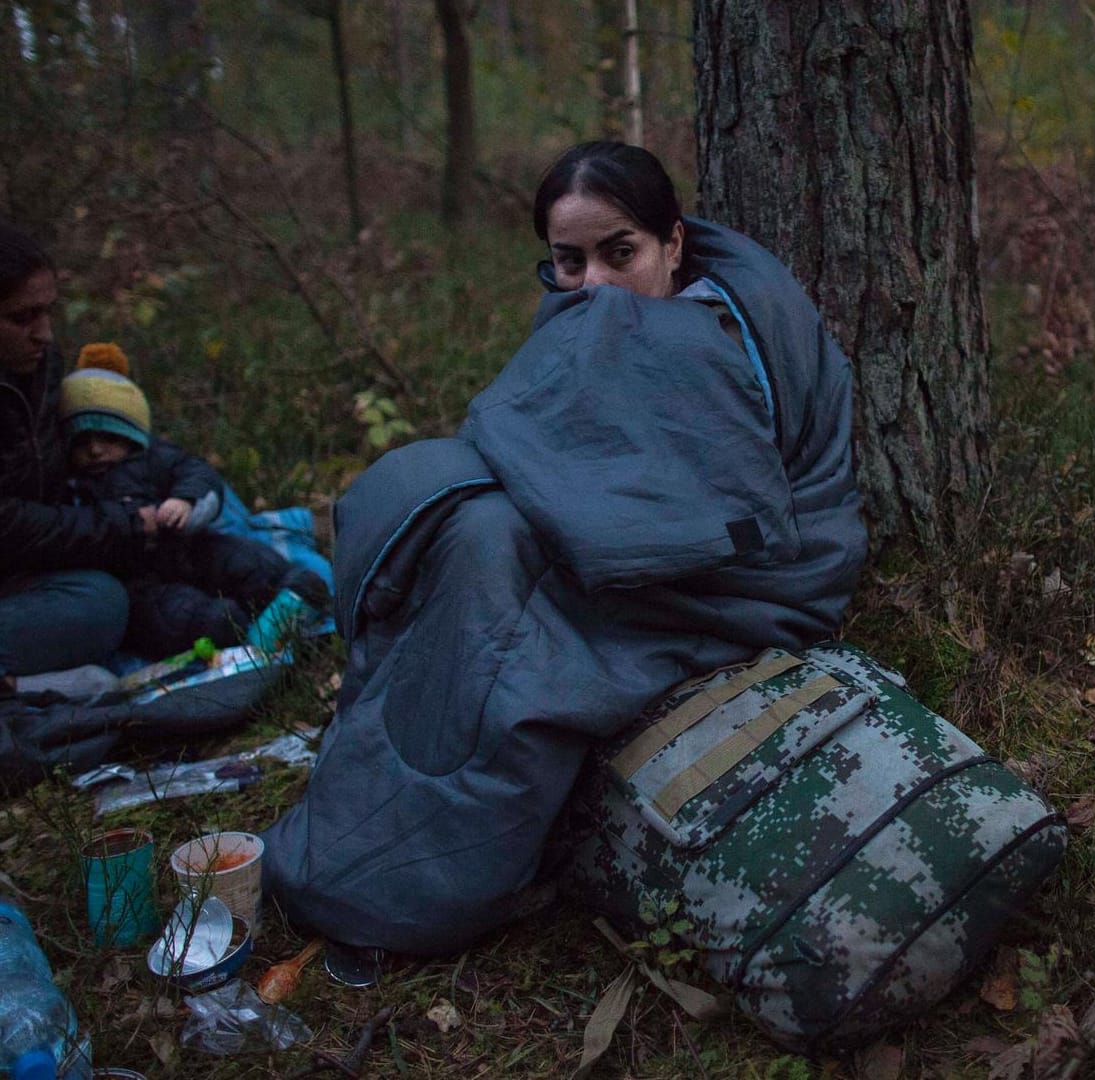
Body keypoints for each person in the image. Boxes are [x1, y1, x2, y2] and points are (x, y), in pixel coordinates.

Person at [264, 142, 868, 955]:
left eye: (621, 253)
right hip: (640, 551)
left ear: (674, 244)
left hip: (746, 581)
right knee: (471, 541)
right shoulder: (610, 308)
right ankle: (360, 841)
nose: (596, 286)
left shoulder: (706, 333)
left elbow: (702, 515)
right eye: (569, 261)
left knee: (503, 601)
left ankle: (402, 887)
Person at [58, 343, 328, 658]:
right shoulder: (71, 485)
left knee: (243, 559)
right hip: (139, 580)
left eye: (108, 438)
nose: (95, 451)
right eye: (83, 442)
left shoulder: (153, 457)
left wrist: (185, 502)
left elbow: (197, 473)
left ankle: (296, 594)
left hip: (190, 545)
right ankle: (236, 632)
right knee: (176, 614)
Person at [0, 222, 148, 687]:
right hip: (17, 555)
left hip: (21, 573)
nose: (43, 333)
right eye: (23, 318)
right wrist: (117, 526)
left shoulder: (42, 370)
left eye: (47, 312)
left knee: (103, 599)